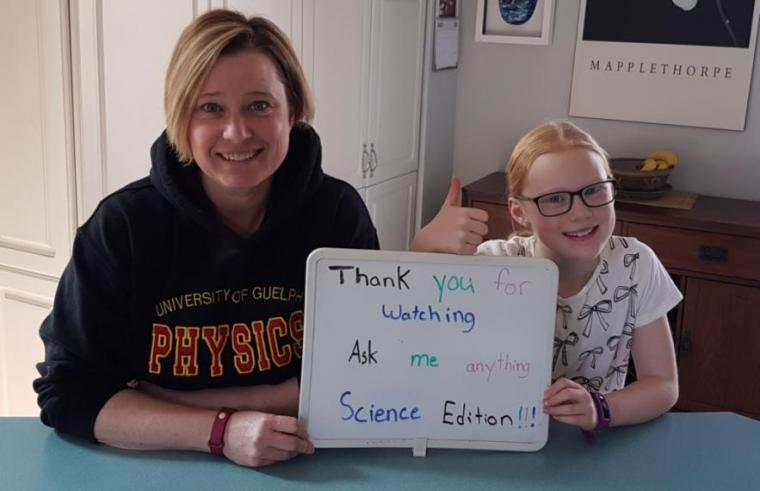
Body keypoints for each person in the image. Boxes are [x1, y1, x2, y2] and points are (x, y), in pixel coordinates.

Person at [34, 9, 379, 468]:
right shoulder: (122, 228)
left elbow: (362, 372)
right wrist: (223, 429)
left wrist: (170, 399)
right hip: (153, 466)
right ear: (182, 117)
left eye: (259, 105)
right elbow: (68, 394)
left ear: (292, 111)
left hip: (307, 458)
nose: (236, 132)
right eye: (210, 107)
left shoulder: (337, 214)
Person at [412, 120, 681, 434]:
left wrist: (602, 408)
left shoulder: (636, 265)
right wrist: (422, 248)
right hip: (497, 433)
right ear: (518, 211)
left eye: (594, 191)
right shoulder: (492, 265)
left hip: (592, 444)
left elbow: (662, 383)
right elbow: (410, 327)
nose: (580, 213)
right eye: (555, 198)